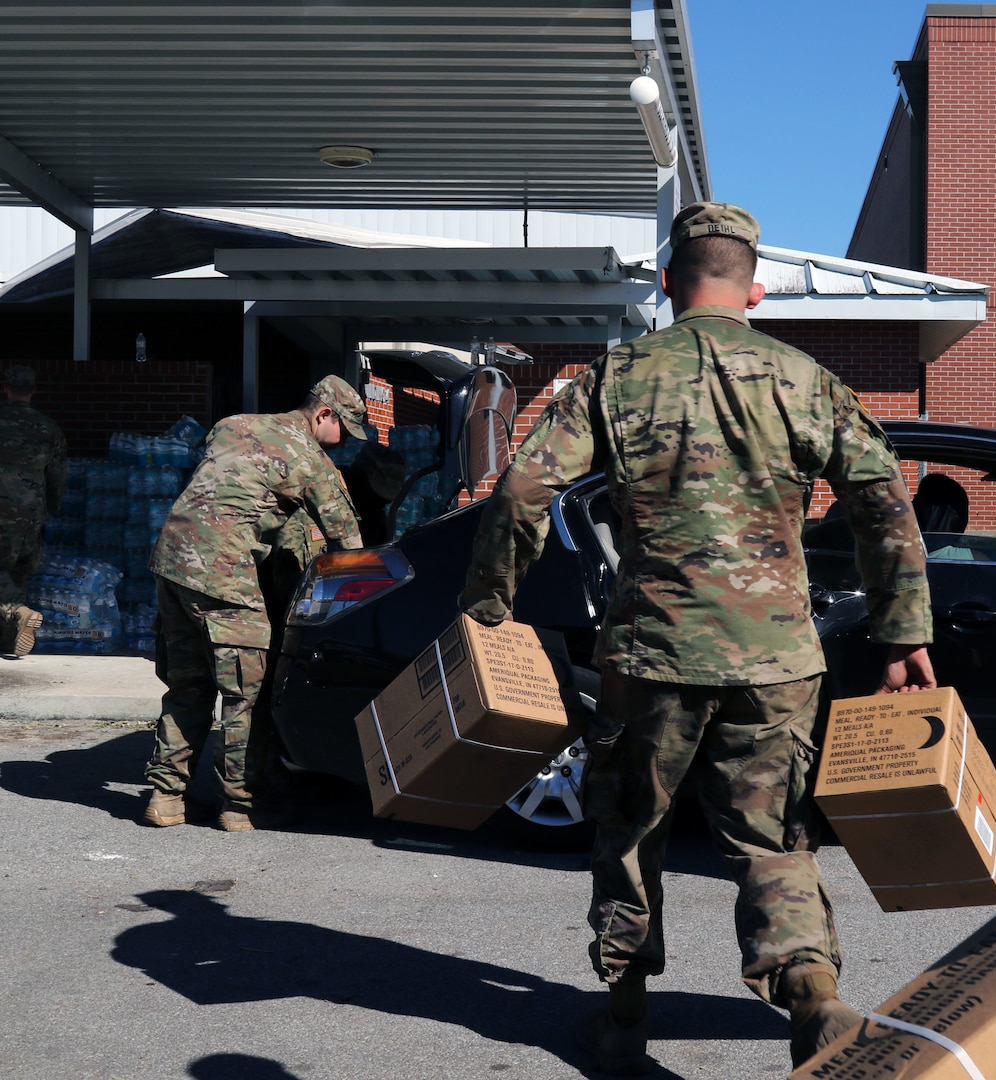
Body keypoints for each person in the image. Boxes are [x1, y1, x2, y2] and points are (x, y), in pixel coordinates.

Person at [460, 202, 935, 1074]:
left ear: (671, 283)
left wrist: (487, 607)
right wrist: (904, 630)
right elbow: (882, 501)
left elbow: (523, 493)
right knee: (771, 837)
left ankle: (625, 1012)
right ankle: (813, 997)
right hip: (778, 656)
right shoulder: (806, 379)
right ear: (752, 288)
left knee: (631, 827)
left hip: (652, 652)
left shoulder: (616, 376)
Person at [143, 375, 365, 832]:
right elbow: (348, 545)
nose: (343, 443)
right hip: (223, 572)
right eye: (343, 429)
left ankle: (166, 798)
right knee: (248, 693)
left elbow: (230, 487)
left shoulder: (232, 423)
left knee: (189, 685)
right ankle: (241, 806)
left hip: (171, 562)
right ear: (323, 413)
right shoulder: (312, 460)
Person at [0, 364, 67, 658]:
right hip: (31, 514)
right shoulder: (48, 427)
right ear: (34, 391)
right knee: (19, 576)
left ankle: (17, 612)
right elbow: (57, 474)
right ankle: (8, 640)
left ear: (5, 389)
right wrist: (54, 507)